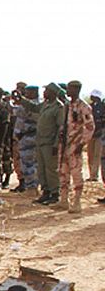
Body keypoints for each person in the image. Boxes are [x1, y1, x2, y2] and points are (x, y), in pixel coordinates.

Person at [20, 82, 64, 205]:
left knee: (51, 169)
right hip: (40, 142)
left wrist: (56, 145)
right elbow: (33, 108)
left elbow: (61, 128)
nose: (44, 93)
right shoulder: (45, 104)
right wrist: (21, 99)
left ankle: (55, 194)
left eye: (47, 91)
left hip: (50, 143)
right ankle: (46, 192)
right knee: (41, 169)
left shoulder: (58, 107)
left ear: (53, 92)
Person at [58, 80, 95, 213]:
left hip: (75, 144)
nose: (67, 91)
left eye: (69, 89)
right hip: (65, 144)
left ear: (76, 90)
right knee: (63, 172)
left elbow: (90, 127)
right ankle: (64, 200)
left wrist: (82, 143)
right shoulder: (68, 106)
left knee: (76, 172)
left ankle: (77, 202)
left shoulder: (83, 107)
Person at [13, 86, 40, 193]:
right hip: (23, 137)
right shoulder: (26, 104)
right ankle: (30, 186)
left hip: (30, 137)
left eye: (28, 92)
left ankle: (32, 187)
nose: (26, 93)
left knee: (30, 163)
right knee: (25, 163)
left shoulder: (36, 105)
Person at [88, 89, 104, 181]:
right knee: (90, 154)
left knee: (97, 155)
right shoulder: (89, 107)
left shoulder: (103, 107)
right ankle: (91, 174)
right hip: (91, 134)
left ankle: (94, 175)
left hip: (99, 134)